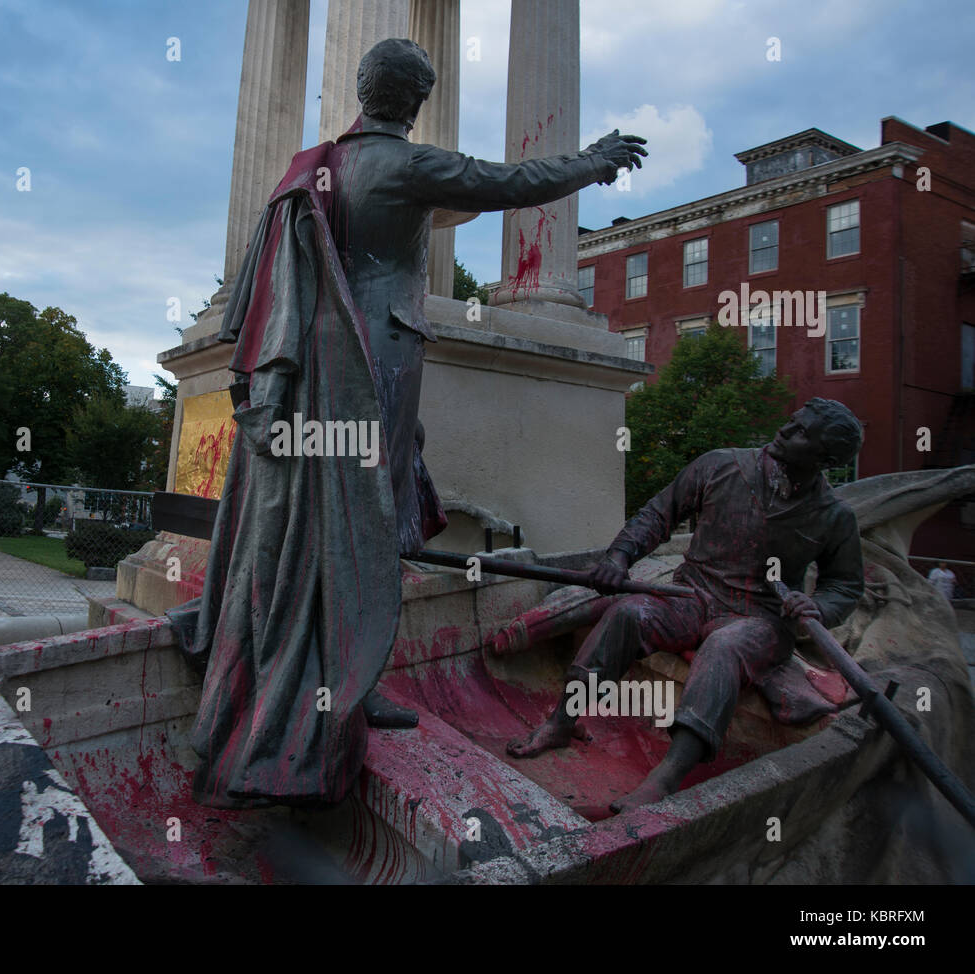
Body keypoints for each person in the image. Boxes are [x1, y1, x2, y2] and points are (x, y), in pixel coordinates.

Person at [180, 37, 649, 809]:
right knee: (370, 518)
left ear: (363, 90)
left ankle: (341, 681)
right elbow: (512, 181)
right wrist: (594, 159)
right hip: (380, 358)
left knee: (340, 517)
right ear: (416, 102)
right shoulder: (406, 165)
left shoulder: (314, 167)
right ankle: (344, 691)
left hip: (320, 364)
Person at [508, 399, 865, 812]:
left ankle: (666, 776)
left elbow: (845, 585)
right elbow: (658, 515)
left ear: (825, 458)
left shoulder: (834, 516)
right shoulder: (720, 465)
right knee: (628, 613)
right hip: (691, 596)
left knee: (725, 646)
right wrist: (619, 557)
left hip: (760, 618)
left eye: (802, 432)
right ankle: (560, 722)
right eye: (791, 422)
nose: (785, 431)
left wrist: (817, 606)